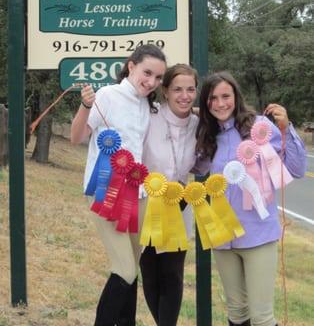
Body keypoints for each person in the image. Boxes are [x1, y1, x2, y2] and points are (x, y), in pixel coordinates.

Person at [194, 71, 307, 326]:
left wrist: (286, 127)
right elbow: (195, 168)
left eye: (226, 96)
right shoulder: (207, 135)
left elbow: (298, 169)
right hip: (223, 238)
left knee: (262, 318)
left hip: (258, 235)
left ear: (236, 96)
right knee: (236, 313)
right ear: (206, 102)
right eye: (213, 98)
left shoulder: (260, 128)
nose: (220, 103)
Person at [70, 44, 167, 326]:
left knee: (131, 270)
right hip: (105, 194)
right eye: (147, 73)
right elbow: (77, 137)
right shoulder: (108, 96)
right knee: (124, 269)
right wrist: (85, 105)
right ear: (131, 65)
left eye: (159, 78)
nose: (151, 82)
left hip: (139, 196)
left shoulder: (148, 104)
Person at [139, 63, 199, 326]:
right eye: (177, 89)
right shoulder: (148, 117)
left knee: (172, 275)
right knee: (150, 276)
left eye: (190, 89)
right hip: (147, 206)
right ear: (165, 91)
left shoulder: (199, 124)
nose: (184, 95)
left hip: (179, 205)